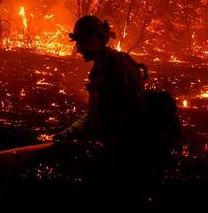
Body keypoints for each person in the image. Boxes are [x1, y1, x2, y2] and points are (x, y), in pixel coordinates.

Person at [53, 15, 149, 164]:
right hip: (112, 151)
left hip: (124, 157)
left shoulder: (115, 67)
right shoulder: (104, 66)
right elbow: (97, 111)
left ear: (95, 41)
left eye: (81, 42)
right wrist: (69, 132)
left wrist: (110, 146)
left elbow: (130, 112)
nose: (78, 49)